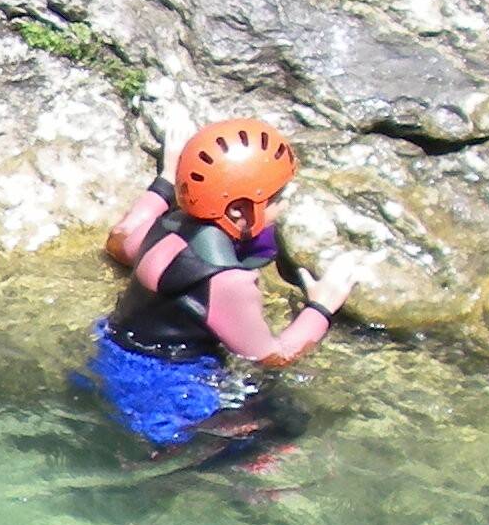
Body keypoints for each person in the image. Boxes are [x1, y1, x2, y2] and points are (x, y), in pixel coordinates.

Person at [85, 118, 357, 453]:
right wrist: (321, 308)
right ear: (241, 209)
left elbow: (119, 240)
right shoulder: (226, 280)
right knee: (287, 421)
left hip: (108, 355)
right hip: (165, 391)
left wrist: (167, 180)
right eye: (276, 198)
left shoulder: (164, 225)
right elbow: (272, 356)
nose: (283, 204)